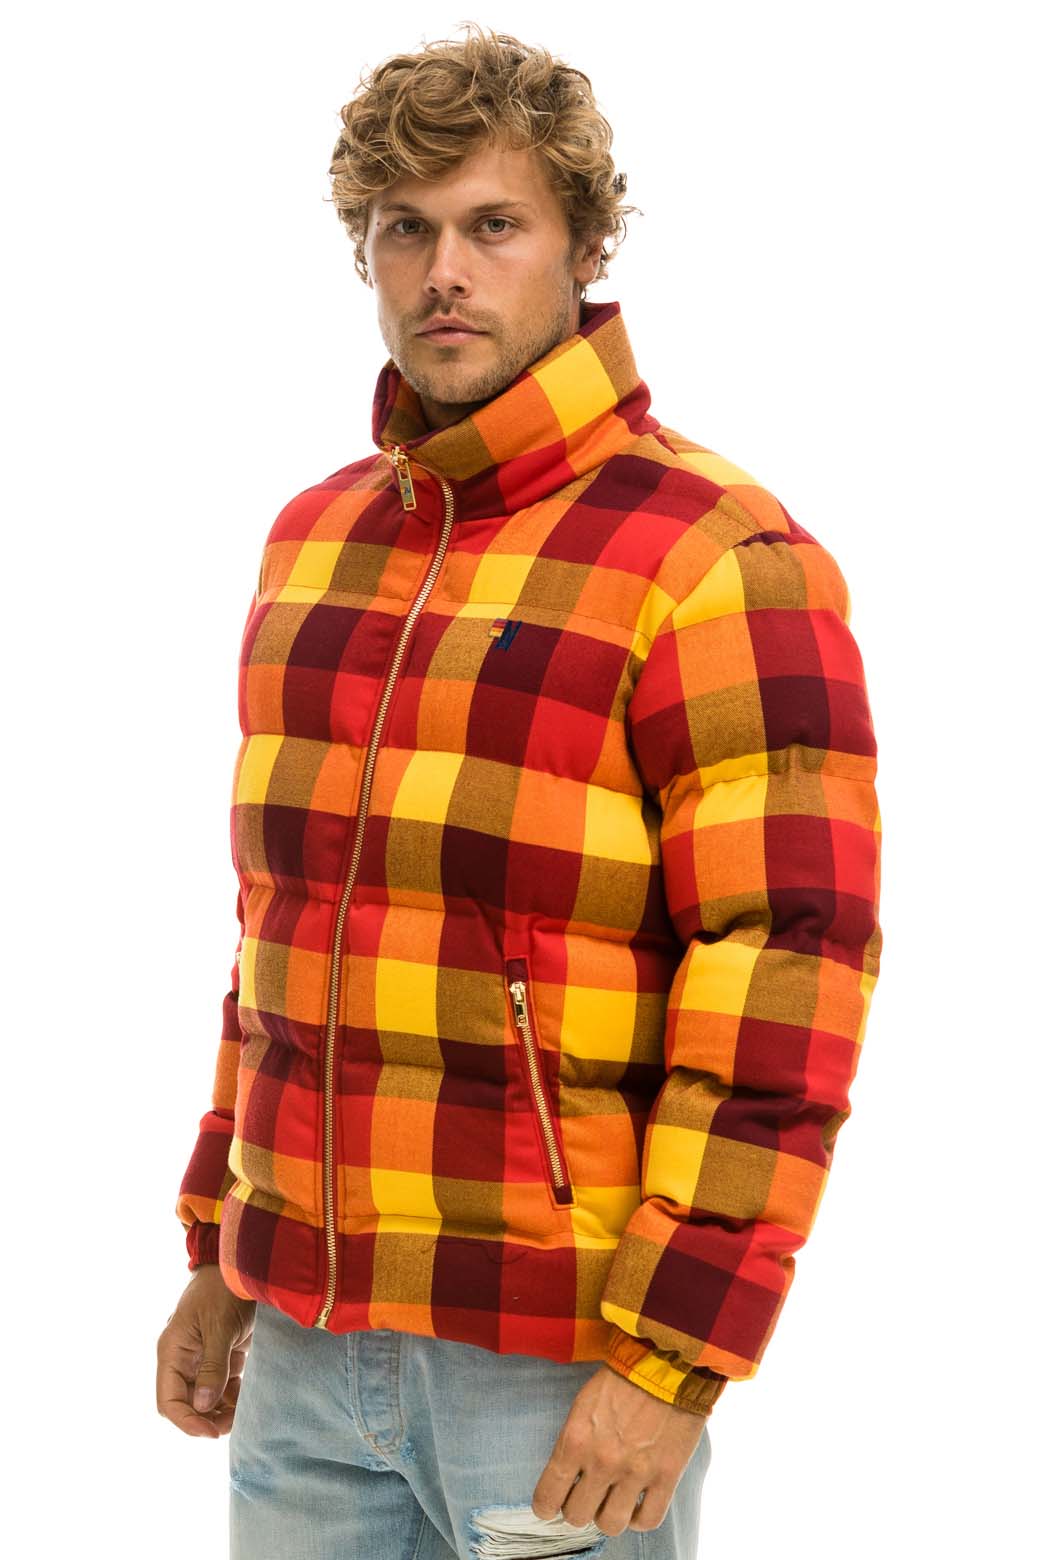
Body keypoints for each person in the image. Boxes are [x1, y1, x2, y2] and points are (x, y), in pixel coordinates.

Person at [155, 23, 883, 1560]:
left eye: (494, 225)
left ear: (584, 244)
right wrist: (220, 1239)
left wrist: (675, 1356)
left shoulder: (715, 555)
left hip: (556, 1371)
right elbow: (277, 937)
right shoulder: (313, 544)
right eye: (403, 230)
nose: (444, 274)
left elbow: (786, 978)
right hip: (303, 1353)